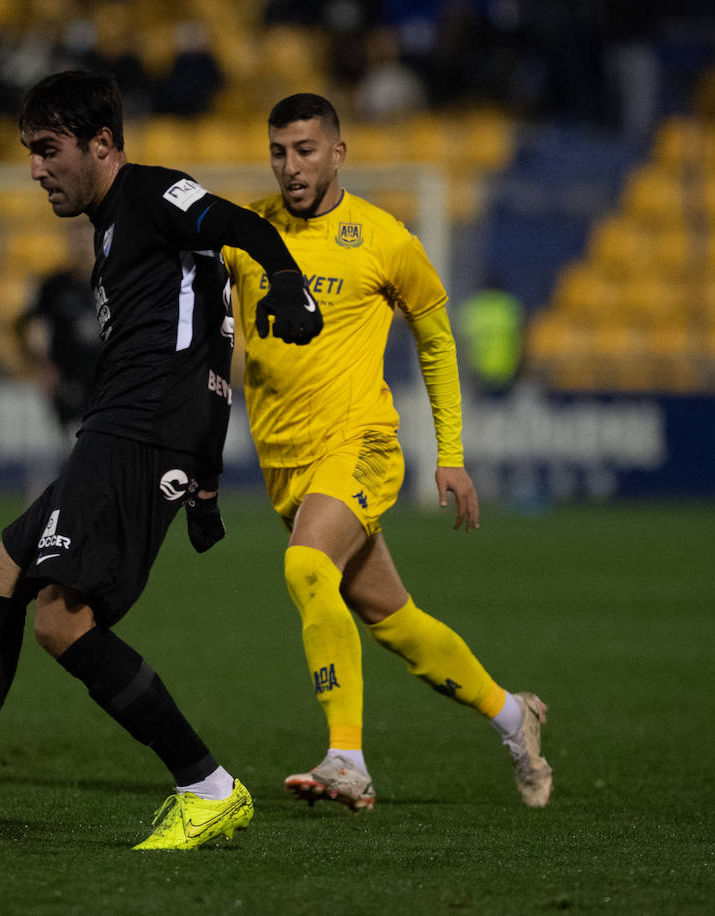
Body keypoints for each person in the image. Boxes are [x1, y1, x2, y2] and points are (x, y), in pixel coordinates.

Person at [0, 70, 321, 851]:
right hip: (132, 431)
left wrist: (289, 284)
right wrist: (204, 482)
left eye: (48, 149)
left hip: (136, 432)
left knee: (62, 621)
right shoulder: (116, 234)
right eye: (30, 152)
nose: (36, 168)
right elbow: (216, 345)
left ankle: (207, 786)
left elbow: (241, 225)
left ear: (101, 145)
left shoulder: (149, 195)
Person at [222, 93, 552, 812]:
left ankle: (347, 760)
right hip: (287, 463)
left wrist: (452, 453)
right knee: (394, 621)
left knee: (308, 567)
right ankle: (511, 715)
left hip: (362, 444)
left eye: (306, 150)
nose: (291, 166)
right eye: (279, 152)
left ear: (338, 153)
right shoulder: (244, 234)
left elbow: (436, 339)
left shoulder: (383, 238)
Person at [12, 226, 101, 495]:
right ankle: (42, 511)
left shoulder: (113, 281)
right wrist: (41, 365)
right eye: (78, 241)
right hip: (67, 380)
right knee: (63, 450)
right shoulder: (54, 285)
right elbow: (29, 325)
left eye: (88, 242)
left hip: (108, 380)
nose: (84, 248)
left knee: (98, 453)